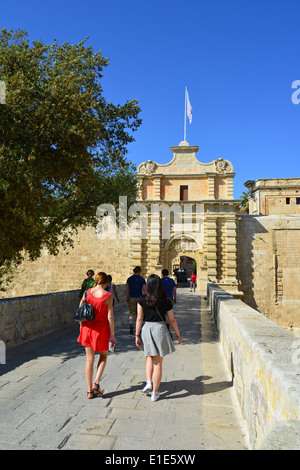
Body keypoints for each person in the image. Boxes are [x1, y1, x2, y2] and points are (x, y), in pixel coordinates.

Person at [135, 274, 182, 402]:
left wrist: (137, 335)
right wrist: (178, 335)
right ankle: (155, 393)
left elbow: (139, 318)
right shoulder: (166, 300)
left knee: (149, 356)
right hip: (160, 329)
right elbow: (171, 319)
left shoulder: (142, 299)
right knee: (158, 362)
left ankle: (149, 382)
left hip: (146, 329)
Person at [77, 272, 116, 399]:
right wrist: (113, 335)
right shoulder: (108, 296)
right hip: (101, 328)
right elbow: (110, 316)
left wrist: (81, 326)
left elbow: (80, 309)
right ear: (106, 282)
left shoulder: (87, 292)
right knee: (103, 356)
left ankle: (89, 391)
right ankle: (96, 383)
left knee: (89, 360)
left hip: (87, 328)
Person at [126, 266, 146, 334]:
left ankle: (131, 325)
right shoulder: (142, 279)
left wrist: (127, 297)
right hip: (139, 298)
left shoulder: (129, 279)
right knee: (139, 313)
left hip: (132, 297)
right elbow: (145, 289)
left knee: (131, 313)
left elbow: (127, 289)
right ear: (140, 271)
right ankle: (139, 327)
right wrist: (145, 297)